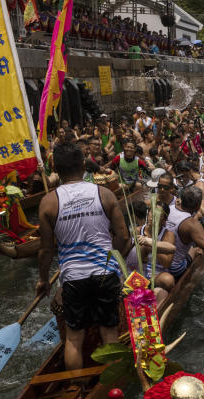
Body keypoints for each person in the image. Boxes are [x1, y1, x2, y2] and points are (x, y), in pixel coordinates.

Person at [35, 141, 130, 372]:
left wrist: (43, 279)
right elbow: (123, 236)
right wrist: (110, 258)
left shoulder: (48, 202)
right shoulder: (105, 194)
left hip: (73, 278)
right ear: (83, 165)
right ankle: (112, 383)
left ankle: (76, 387)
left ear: (55, 169)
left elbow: (46, 249)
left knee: (74, 338)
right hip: (105, 273)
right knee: (109, 332)